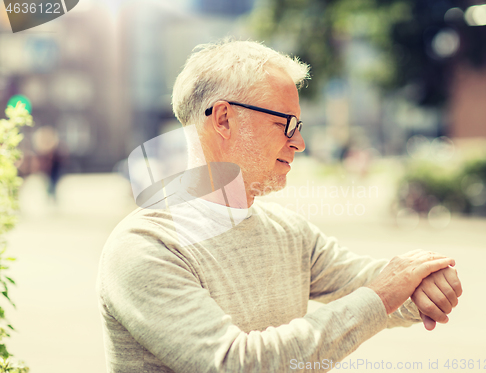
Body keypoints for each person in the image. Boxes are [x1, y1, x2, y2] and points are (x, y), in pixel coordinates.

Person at [96, 39, 462, 373]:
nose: (299, 142)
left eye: (298, 125)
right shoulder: (145, 245)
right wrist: (383, 294)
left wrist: (425, 284)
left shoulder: (289, 232)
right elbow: (236, 364)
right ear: (223, 119)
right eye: (285, 123)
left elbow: (371, 284)